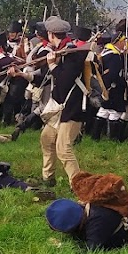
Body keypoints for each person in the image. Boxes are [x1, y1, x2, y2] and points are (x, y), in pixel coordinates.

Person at [39, 16, 89, 187]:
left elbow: (65, 80)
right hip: (60, 107)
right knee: (47, 138)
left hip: (72, 108)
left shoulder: (73, 54)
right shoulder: (61, 51)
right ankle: (48, 178)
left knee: (63, 149)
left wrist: (53, 65)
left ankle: (79, 186)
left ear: (51, 34)